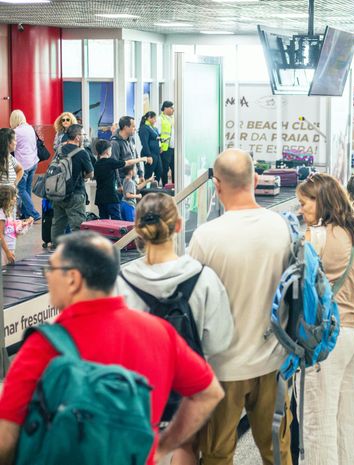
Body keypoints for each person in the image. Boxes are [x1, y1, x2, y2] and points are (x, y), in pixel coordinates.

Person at [0, 232, 225, 465]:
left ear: (73, 279)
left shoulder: (43, 347)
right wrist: (163, 445)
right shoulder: (159, 332)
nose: (47, 276)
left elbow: (5, 439)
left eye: (51, 269)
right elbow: (209, 393)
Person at [190, 149, 292, 465]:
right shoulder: (282, 228)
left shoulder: (205, 237)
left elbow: (193, 305)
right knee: (278, 453)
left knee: (217, 454)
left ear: (216, 186)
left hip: (222, 369)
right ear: (256, 180)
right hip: (273, 363)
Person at [116, 193, 234, 465]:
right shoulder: (203, 278)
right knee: (185, 446)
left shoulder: (120, 282)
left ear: (137, 229)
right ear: (178, 226)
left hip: (137, 397)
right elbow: (219, 341)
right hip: (187, 392)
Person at [296, 173, 354, 465]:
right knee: (346, 420)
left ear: (321, 201)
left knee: (318, 423)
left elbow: (298, 284)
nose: (300, 209)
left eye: (305, 203)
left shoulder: (317, 236)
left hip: (327, 337)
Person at [50, 124, 94, 243]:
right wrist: (83, 176)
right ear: (77, 137)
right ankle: (78, 249)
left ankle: (56, 247)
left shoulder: (59, 150)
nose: (84, 137)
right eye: (83, 134)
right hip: (75, 193)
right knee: (78, 225)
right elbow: (90, 173)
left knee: (58, 223)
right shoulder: (82, 153)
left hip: (58, 192)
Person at [93, 139, 149, 220]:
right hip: (110, 197)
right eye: (110, 149)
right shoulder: (110, 162)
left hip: (99, 198)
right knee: (117, 221)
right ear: (107, 151)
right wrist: (142, 159)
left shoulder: (96, 164)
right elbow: (128, 163)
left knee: (103, 221)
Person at [8, 110, 40, 221]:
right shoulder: (30, 128)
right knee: (27, 189)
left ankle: (34, 214)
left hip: (23, 165)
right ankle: (27, 214)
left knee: (21, 190)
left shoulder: (15, 132)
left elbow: (11, 147)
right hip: (33, 162)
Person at [0, 185, 32, 265]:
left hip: (9, 247)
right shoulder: (1, 215)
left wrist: (23, 224)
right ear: (7, 199)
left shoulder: (6, 212)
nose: (16, 198)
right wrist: (7, 252)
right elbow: (0, 235)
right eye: (14, 196)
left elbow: (10, 229)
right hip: (3, 250)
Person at [112, 115, 148, 181]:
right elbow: (114, 165)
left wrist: (140, 174)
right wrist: (119, 183)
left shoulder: (131, 139)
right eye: (133, 126)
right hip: (123, 179)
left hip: (132, 177)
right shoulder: (115, 143)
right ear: (126, 127)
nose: (135, 129)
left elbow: (136, 157)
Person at [139, 111, 163, 183]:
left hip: (156, 153)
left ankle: (154, 187)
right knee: (148, 174)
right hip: (149, 153)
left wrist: (160, 145)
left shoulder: (153, 128)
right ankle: (146, 188)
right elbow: (144, 143)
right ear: (149, 118)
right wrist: (148, 155)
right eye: (154, 118)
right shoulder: (144, 128)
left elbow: (156, 138)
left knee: (159, 171)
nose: (155, 120)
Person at [156, 100, 175, 186]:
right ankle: (165, 186)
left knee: (175, 168)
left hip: (174, 148)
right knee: (165, 169)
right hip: (165, 148)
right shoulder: (160, 119)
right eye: (171, 108)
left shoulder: (173, 118)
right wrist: (160, 146)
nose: (173, 110)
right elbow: (157, 134)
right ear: (165, 108)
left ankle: (175, 186)